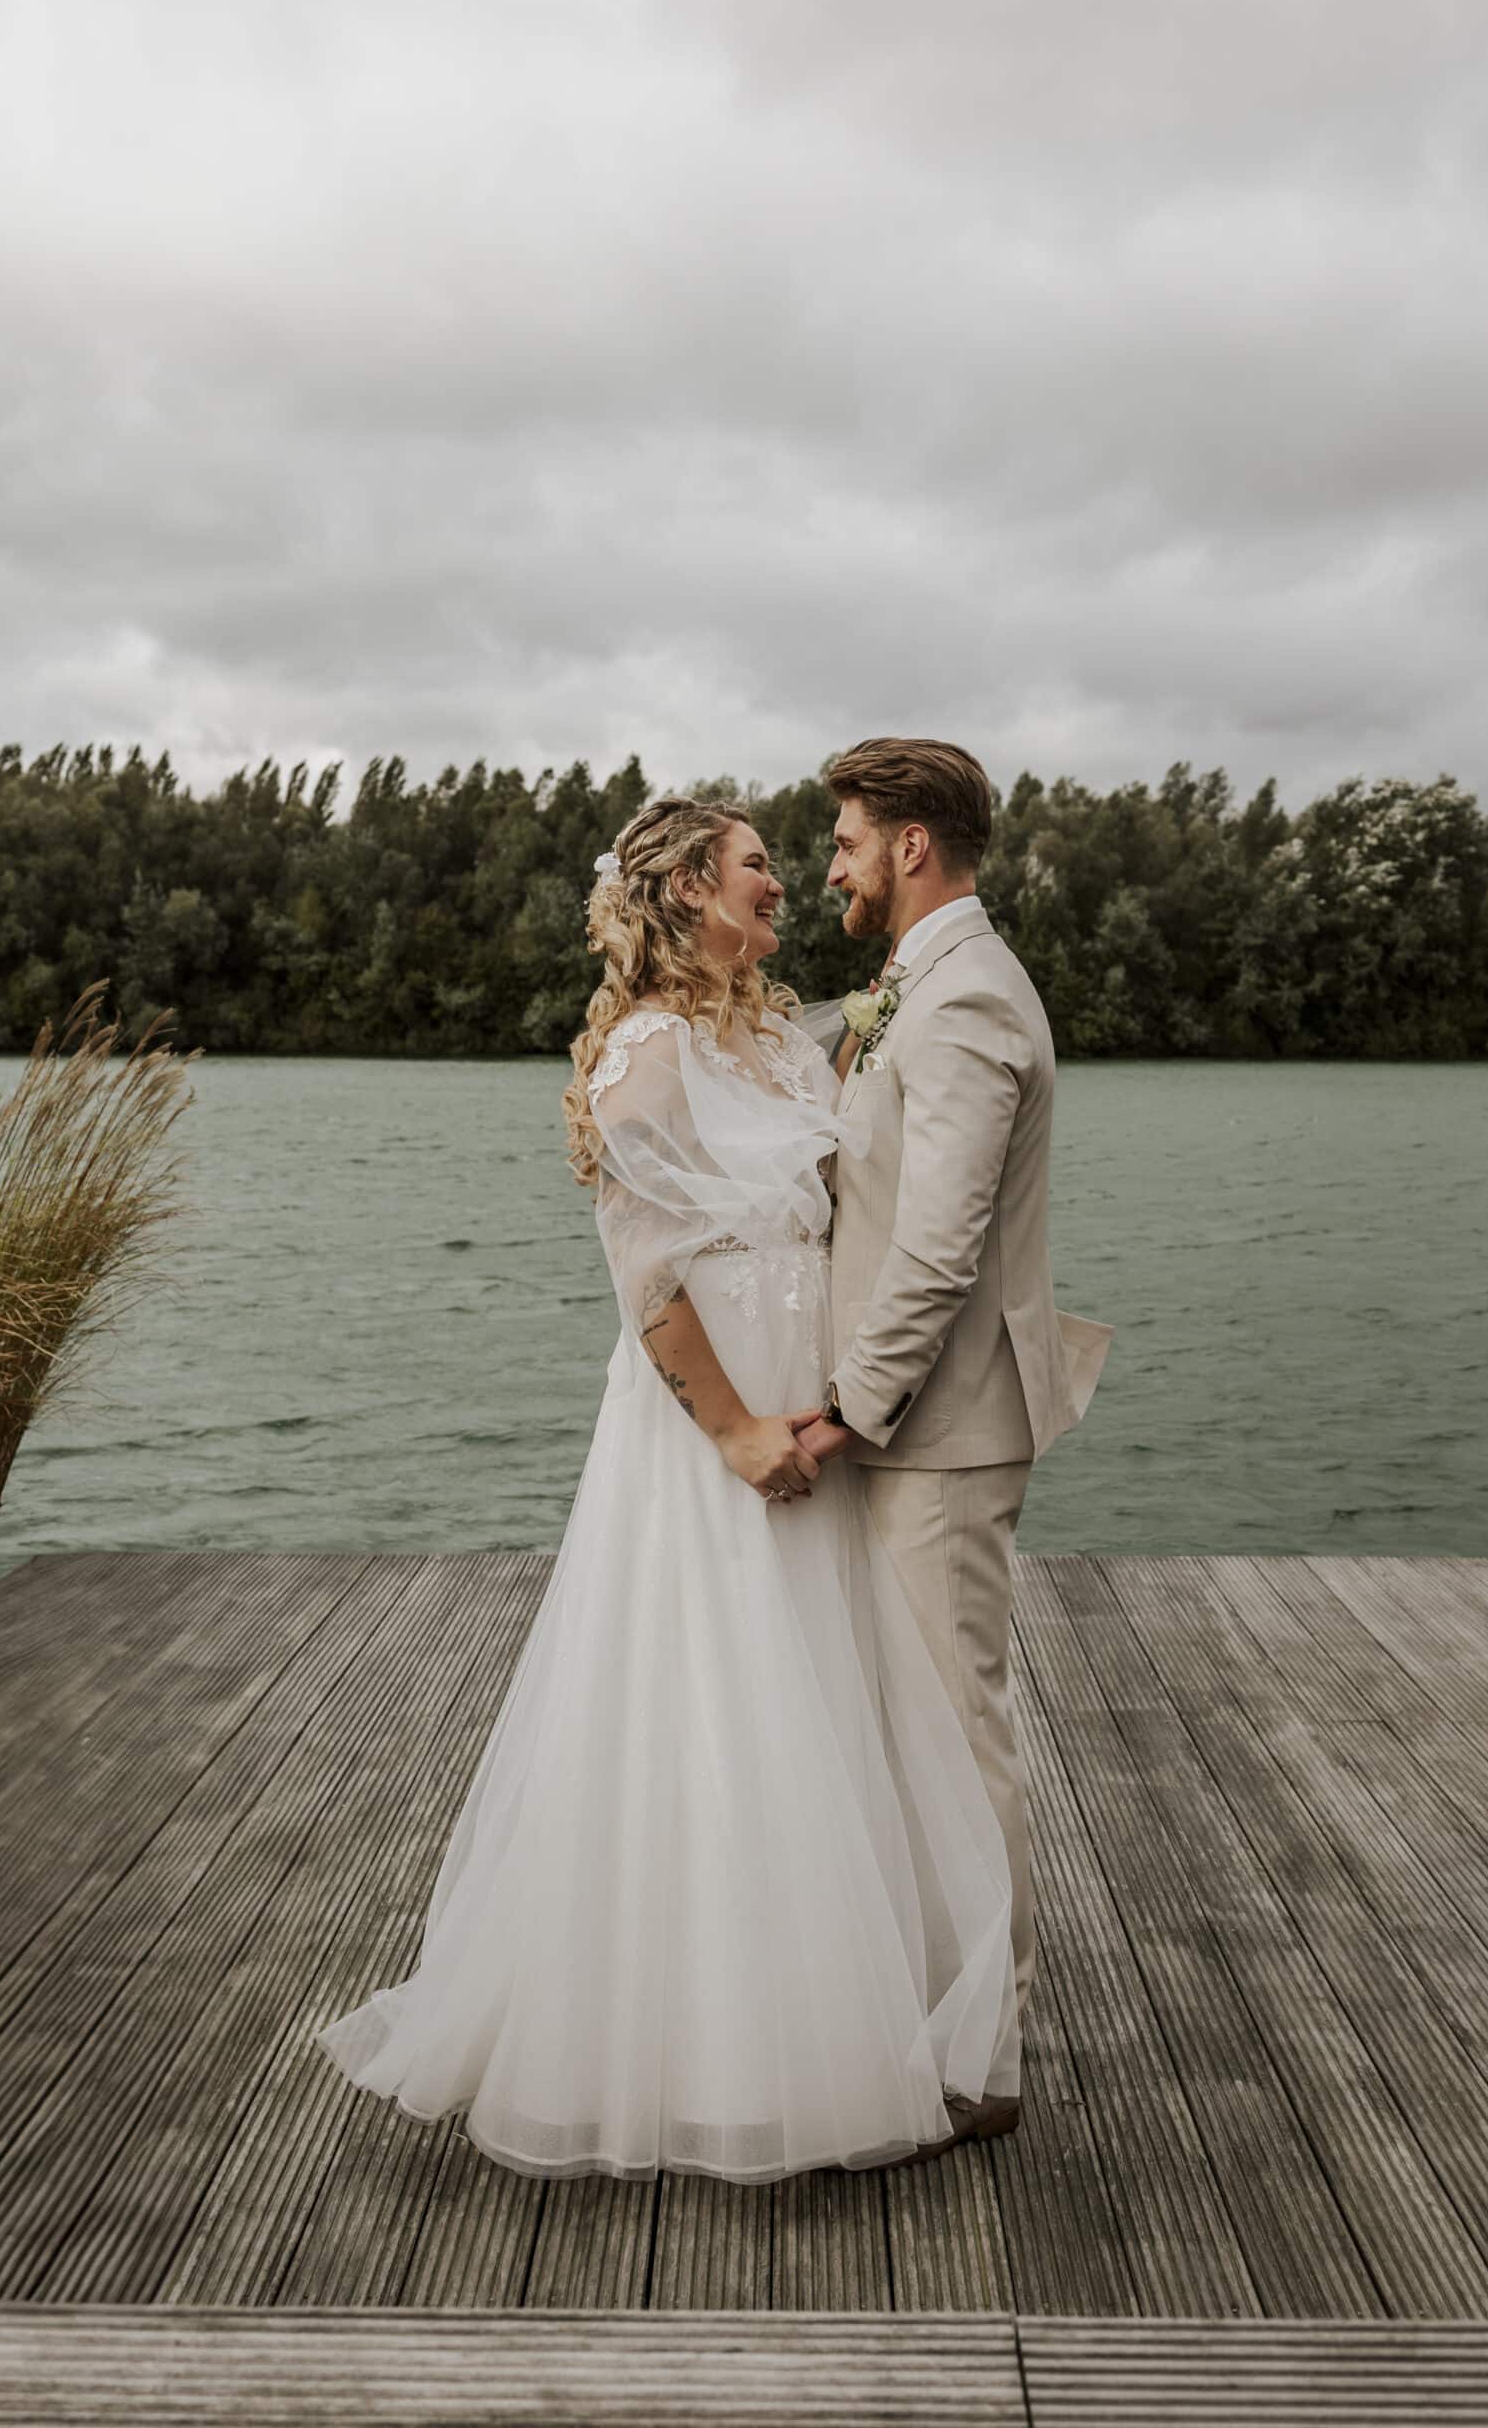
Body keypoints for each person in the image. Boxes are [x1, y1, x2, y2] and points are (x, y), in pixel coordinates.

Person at [312, 794, 1022, 2183]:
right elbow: (646, 1282)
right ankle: (700, 2051)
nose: (785, 886)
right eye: (760, 867)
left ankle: (831, 2009)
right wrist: (736, 1433)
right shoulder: (641, 1054)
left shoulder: (775, 1032)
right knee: (712, 1703)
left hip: (811, 1399)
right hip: (720, 1417)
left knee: (816, 1707)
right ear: (691, 889)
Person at [793, 738, 1113, 2068]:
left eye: (847, 841)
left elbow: (938, 1246)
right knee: (907, 1732)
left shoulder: (968, 1000)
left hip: (935, 1436)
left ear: (911, 845)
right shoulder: (910, 992)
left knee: (952, 1735)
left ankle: (981, 2055)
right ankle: (910, 2008)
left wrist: (845, 1413)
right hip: (910, 1430)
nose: (833, 866)